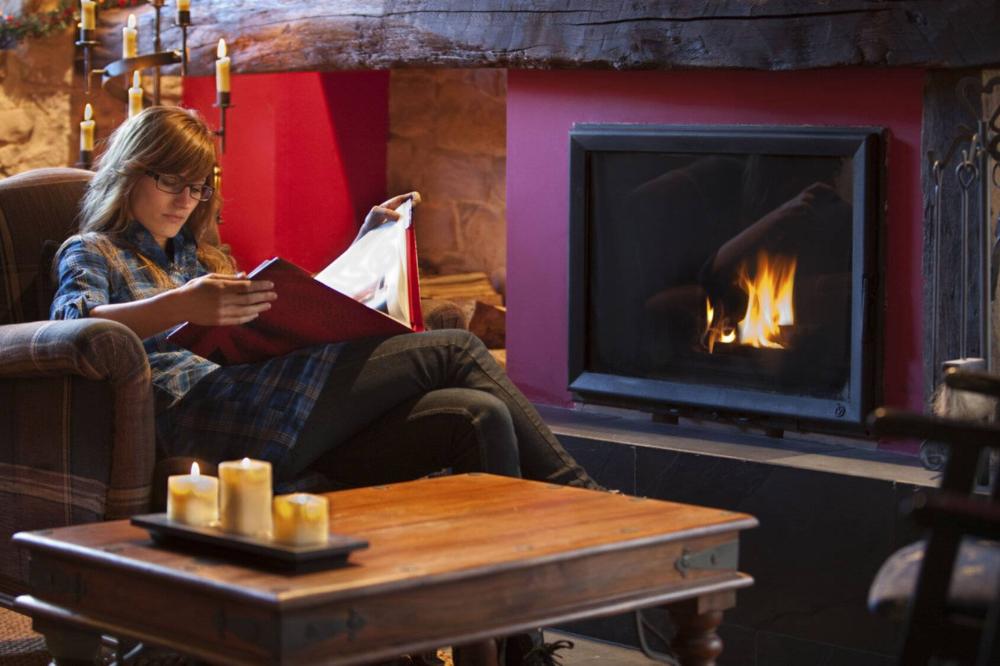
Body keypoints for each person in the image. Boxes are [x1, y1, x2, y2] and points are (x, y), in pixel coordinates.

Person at [50, 106, 600, 504]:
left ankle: (517, 648)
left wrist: (364, 250)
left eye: (197, 188)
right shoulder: (93, 250)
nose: (184, 201)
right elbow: (72, 332)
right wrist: (183, 305)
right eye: (171, 181)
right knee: (455, 348)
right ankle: (587, 501)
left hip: (271, 400)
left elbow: (279, 320)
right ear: (130, 170)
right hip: (202, 416)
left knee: (480, 414)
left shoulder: (204, 260)